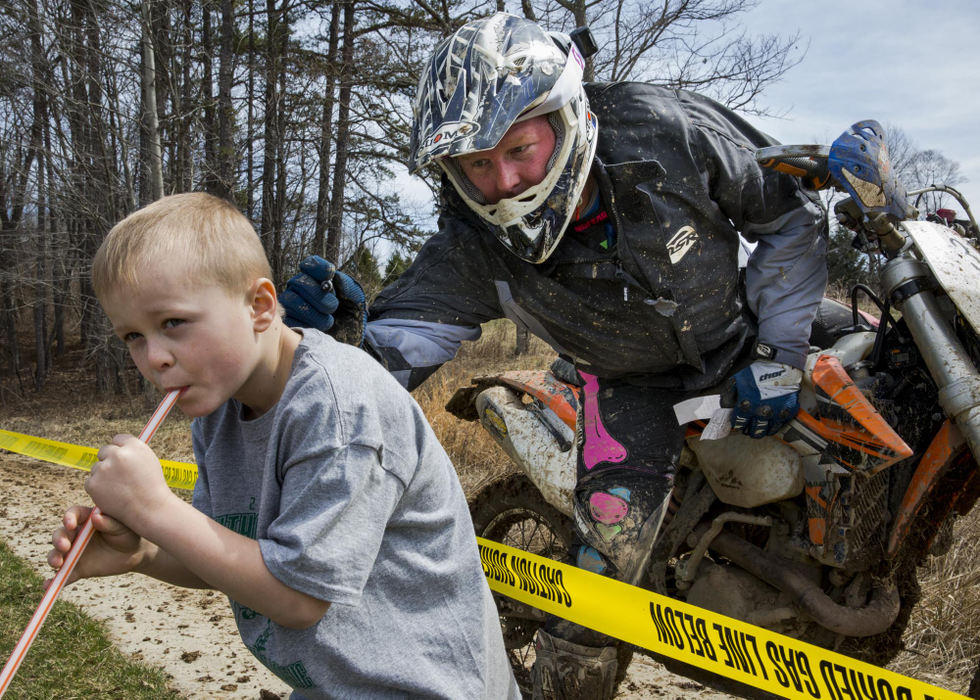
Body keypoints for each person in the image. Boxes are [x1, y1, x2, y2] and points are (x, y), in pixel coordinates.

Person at [280, 12, 827, 699]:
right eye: (478, 164)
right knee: (606, 561)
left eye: (519, 150)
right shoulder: (471, 249)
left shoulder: (670, 128)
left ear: (565, 119)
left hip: (748, 323)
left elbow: (789, 213)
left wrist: (780, 350)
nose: (504, 182)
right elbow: (392, 352)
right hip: (631, 388)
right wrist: (326, 343)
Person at [47, 192, 519, 699]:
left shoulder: (337, 409)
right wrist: (142, 552)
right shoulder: (220, 409)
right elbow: (233, 552)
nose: (154, 357)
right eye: (132, 337)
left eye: (173, 324)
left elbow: (298, 597)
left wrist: (154, 508)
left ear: (259, 306)